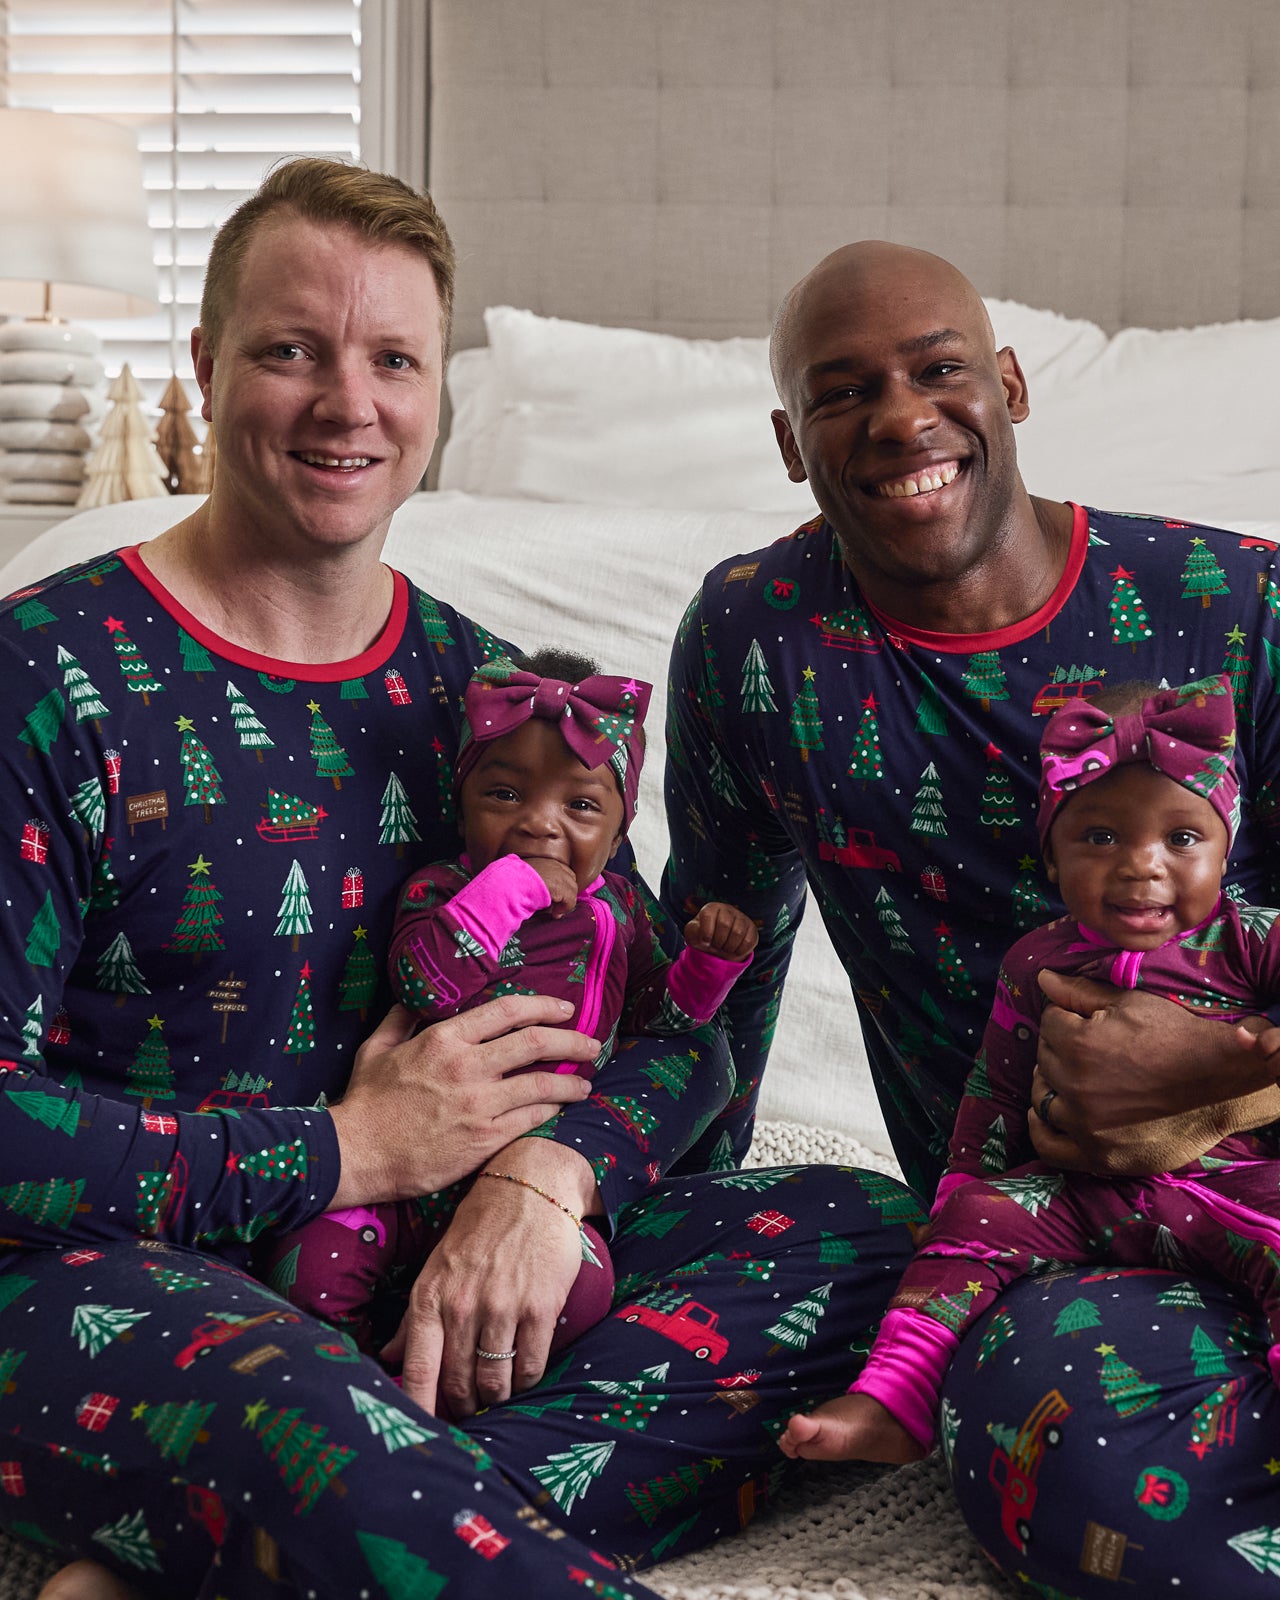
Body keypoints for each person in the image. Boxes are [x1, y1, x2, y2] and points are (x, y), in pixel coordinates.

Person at [0, 163, 919, 1600]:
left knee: (870, 1239)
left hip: (429, 1265)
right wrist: (350, 1153)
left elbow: (673, 1045)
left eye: (393, 361)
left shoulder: (497, 704)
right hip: (124, 1278)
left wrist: (549, 1180)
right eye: (291, 349)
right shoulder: (47, 675)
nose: (346, 405)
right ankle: (326, 1497)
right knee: (297, 1401)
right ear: (204, 363)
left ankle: (235, 1544)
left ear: (436, 393)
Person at [663, 239, 1280, 1593]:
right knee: (1059, 1462)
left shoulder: (1236, 606)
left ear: (1007, 383)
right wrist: (635, 1209)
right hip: (1048, 1232)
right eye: (842, 394)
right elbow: (717, 959)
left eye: (938, 370)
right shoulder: (758, 638)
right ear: (789, 442)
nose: (899, 418)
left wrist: (1227, 1080)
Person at [780, 674, 1280, 1465]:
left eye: (1182, 839)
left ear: (1228, 850)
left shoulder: (1252, 938)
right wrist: (960, 1193)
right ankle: (895, 1396)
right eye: (1100, 837)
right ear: (1051, 858)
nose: (1141, 867)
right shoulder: (1036, 960)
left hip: (1232, 1186)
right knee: (976, 1222)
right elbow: (996, 1093)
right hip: (1076, 1197)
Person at [265, 648, 757, 1358]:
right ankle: (369, 1379)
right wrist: (512, 890)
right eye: (504, 795)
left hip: (534, 1182)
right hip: (405, 1174)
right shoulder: (442, 890)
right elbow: (426, 984)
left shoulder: (621, 911)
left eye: (581, 805)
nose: (539, 824)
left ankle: (466, 1389)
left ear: (620, 833)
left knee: (580, 1295)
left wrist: (708, 966)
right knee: (306, 1269)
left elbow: (661, 1020)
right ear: (461, 805)